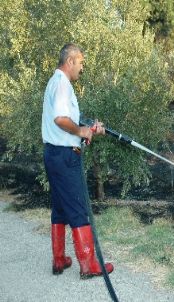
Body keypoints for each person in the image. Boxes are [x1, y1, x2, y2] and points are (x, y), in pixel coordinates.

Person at [42, 43, 114, 279]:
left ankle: (59, 259)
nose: (82, 68)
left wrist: (88, 127)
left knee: (61, 208)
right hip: (65, 157)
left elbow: (69, 120)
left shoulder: (54, 82)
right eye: (81, 62)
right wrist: (82, 132)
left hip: (53, 154)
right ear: (70, 61)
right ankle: (88, 265)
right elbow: (62, 119)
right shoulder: (62, 84)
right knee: (78, 208)